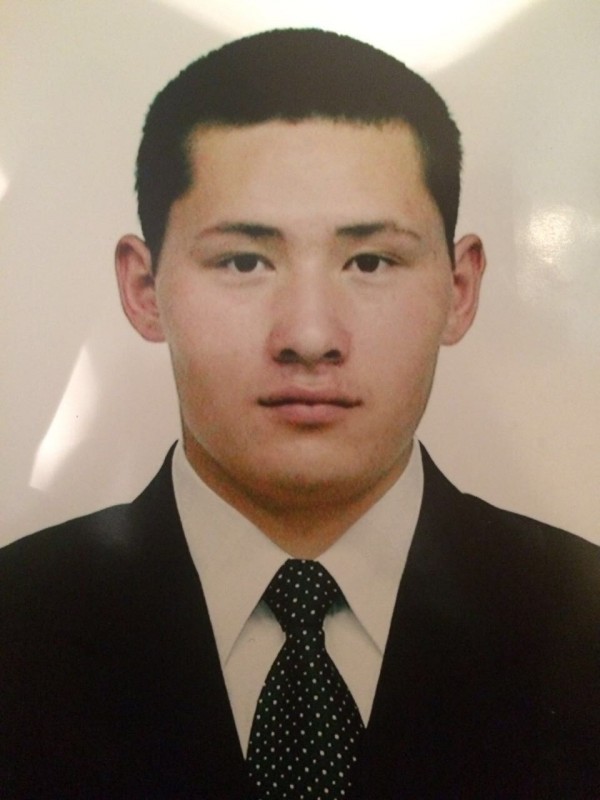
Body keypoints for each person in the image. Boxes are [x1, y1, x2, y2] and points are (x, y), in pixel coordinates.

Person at [0, 28, 598, 800]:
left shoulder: (582, 621)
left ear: (460, 289)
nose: (310, 337)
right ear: (144, 289)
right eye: (244, 261)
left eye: (371, 261)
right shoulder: (16, 623)